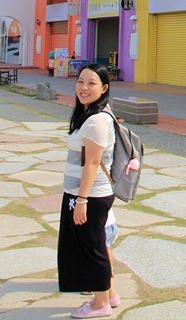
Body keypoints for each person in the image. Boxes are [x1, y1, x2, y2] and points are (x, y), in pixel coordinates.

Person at [58, 63, 131, 318]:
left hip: (90, 196)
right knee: (95, 245)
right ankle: (109, 294)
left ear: (104, 88)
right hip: (84, 194)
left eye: (91, 83)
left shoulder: (98, 120)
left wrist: (81, 200)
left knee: (93, 248)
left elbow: (91, 163)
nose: (84, 88)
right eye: (80, 81)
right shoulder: (87, 114)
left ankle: (100, 305)